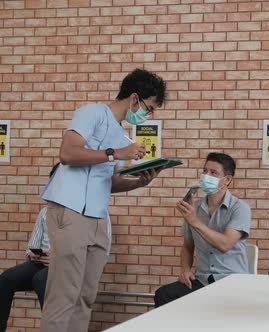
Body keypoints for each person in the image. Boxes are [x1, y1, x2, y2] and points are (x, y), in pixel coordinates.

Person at [39, 69, 167, 332]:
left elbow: (110, 182)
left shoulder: (123, 136)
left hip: (98, 218)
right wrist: (117, 152)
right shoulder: (92, 113)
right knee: (64, 295)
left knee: (85, 297)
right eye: (149, 108)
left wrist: (140, 182)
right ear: (134, 98)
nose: (147, 115)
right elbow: (67, 153)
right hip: (70, 211)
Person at [154, 152, 251, 307]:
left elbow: (225, 244)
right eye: (205, 171)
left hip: (233, 282)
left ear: (227, 180)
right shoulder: (195, 208)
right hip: (202, 281)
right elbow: (187, 246)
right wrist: (185, 270)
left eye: (213, 173)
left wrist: (194, 221)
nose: (206, 176)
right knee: (164, 295)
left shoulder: (240, 208)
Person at [0, 164, 57, 332]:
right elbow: (32, 246)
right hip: (39, 261)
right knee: (6, 279)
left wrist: (56, 258)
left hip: (62, 265)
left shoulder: (77, 213)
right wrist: (32, 254)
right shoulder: (45, 212)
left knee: (40, 279)